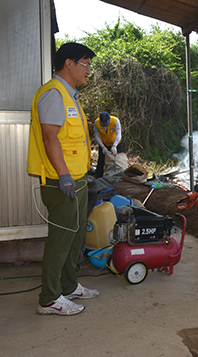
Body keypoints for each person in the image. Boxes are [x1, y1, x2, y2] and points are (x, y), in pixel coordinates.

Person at [27, 42, 100, 316]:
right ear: (69, 63)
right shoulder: (53, 94)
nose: (88, 71)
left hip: (77, 179)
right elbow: (50, 137)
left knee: (75, 235)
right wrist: (65, 175)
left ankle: (68, 286)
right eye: (86, 64)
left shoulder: (70, 96)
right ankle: (49, 298)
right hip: (62, 182)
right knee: (61, 238)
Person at [93, 111, 122, 178]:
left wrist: (114, 146)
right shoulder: (97, 123)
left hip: (116, 143)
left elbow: (119, 134)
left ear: (109, 119)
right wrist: (103, 147)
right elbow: (97, 135)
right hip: (104, 143)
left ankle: (117, 176)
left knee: (117, 161)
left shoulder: (115, 121)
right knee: (101, 160)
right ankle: (98, 176)